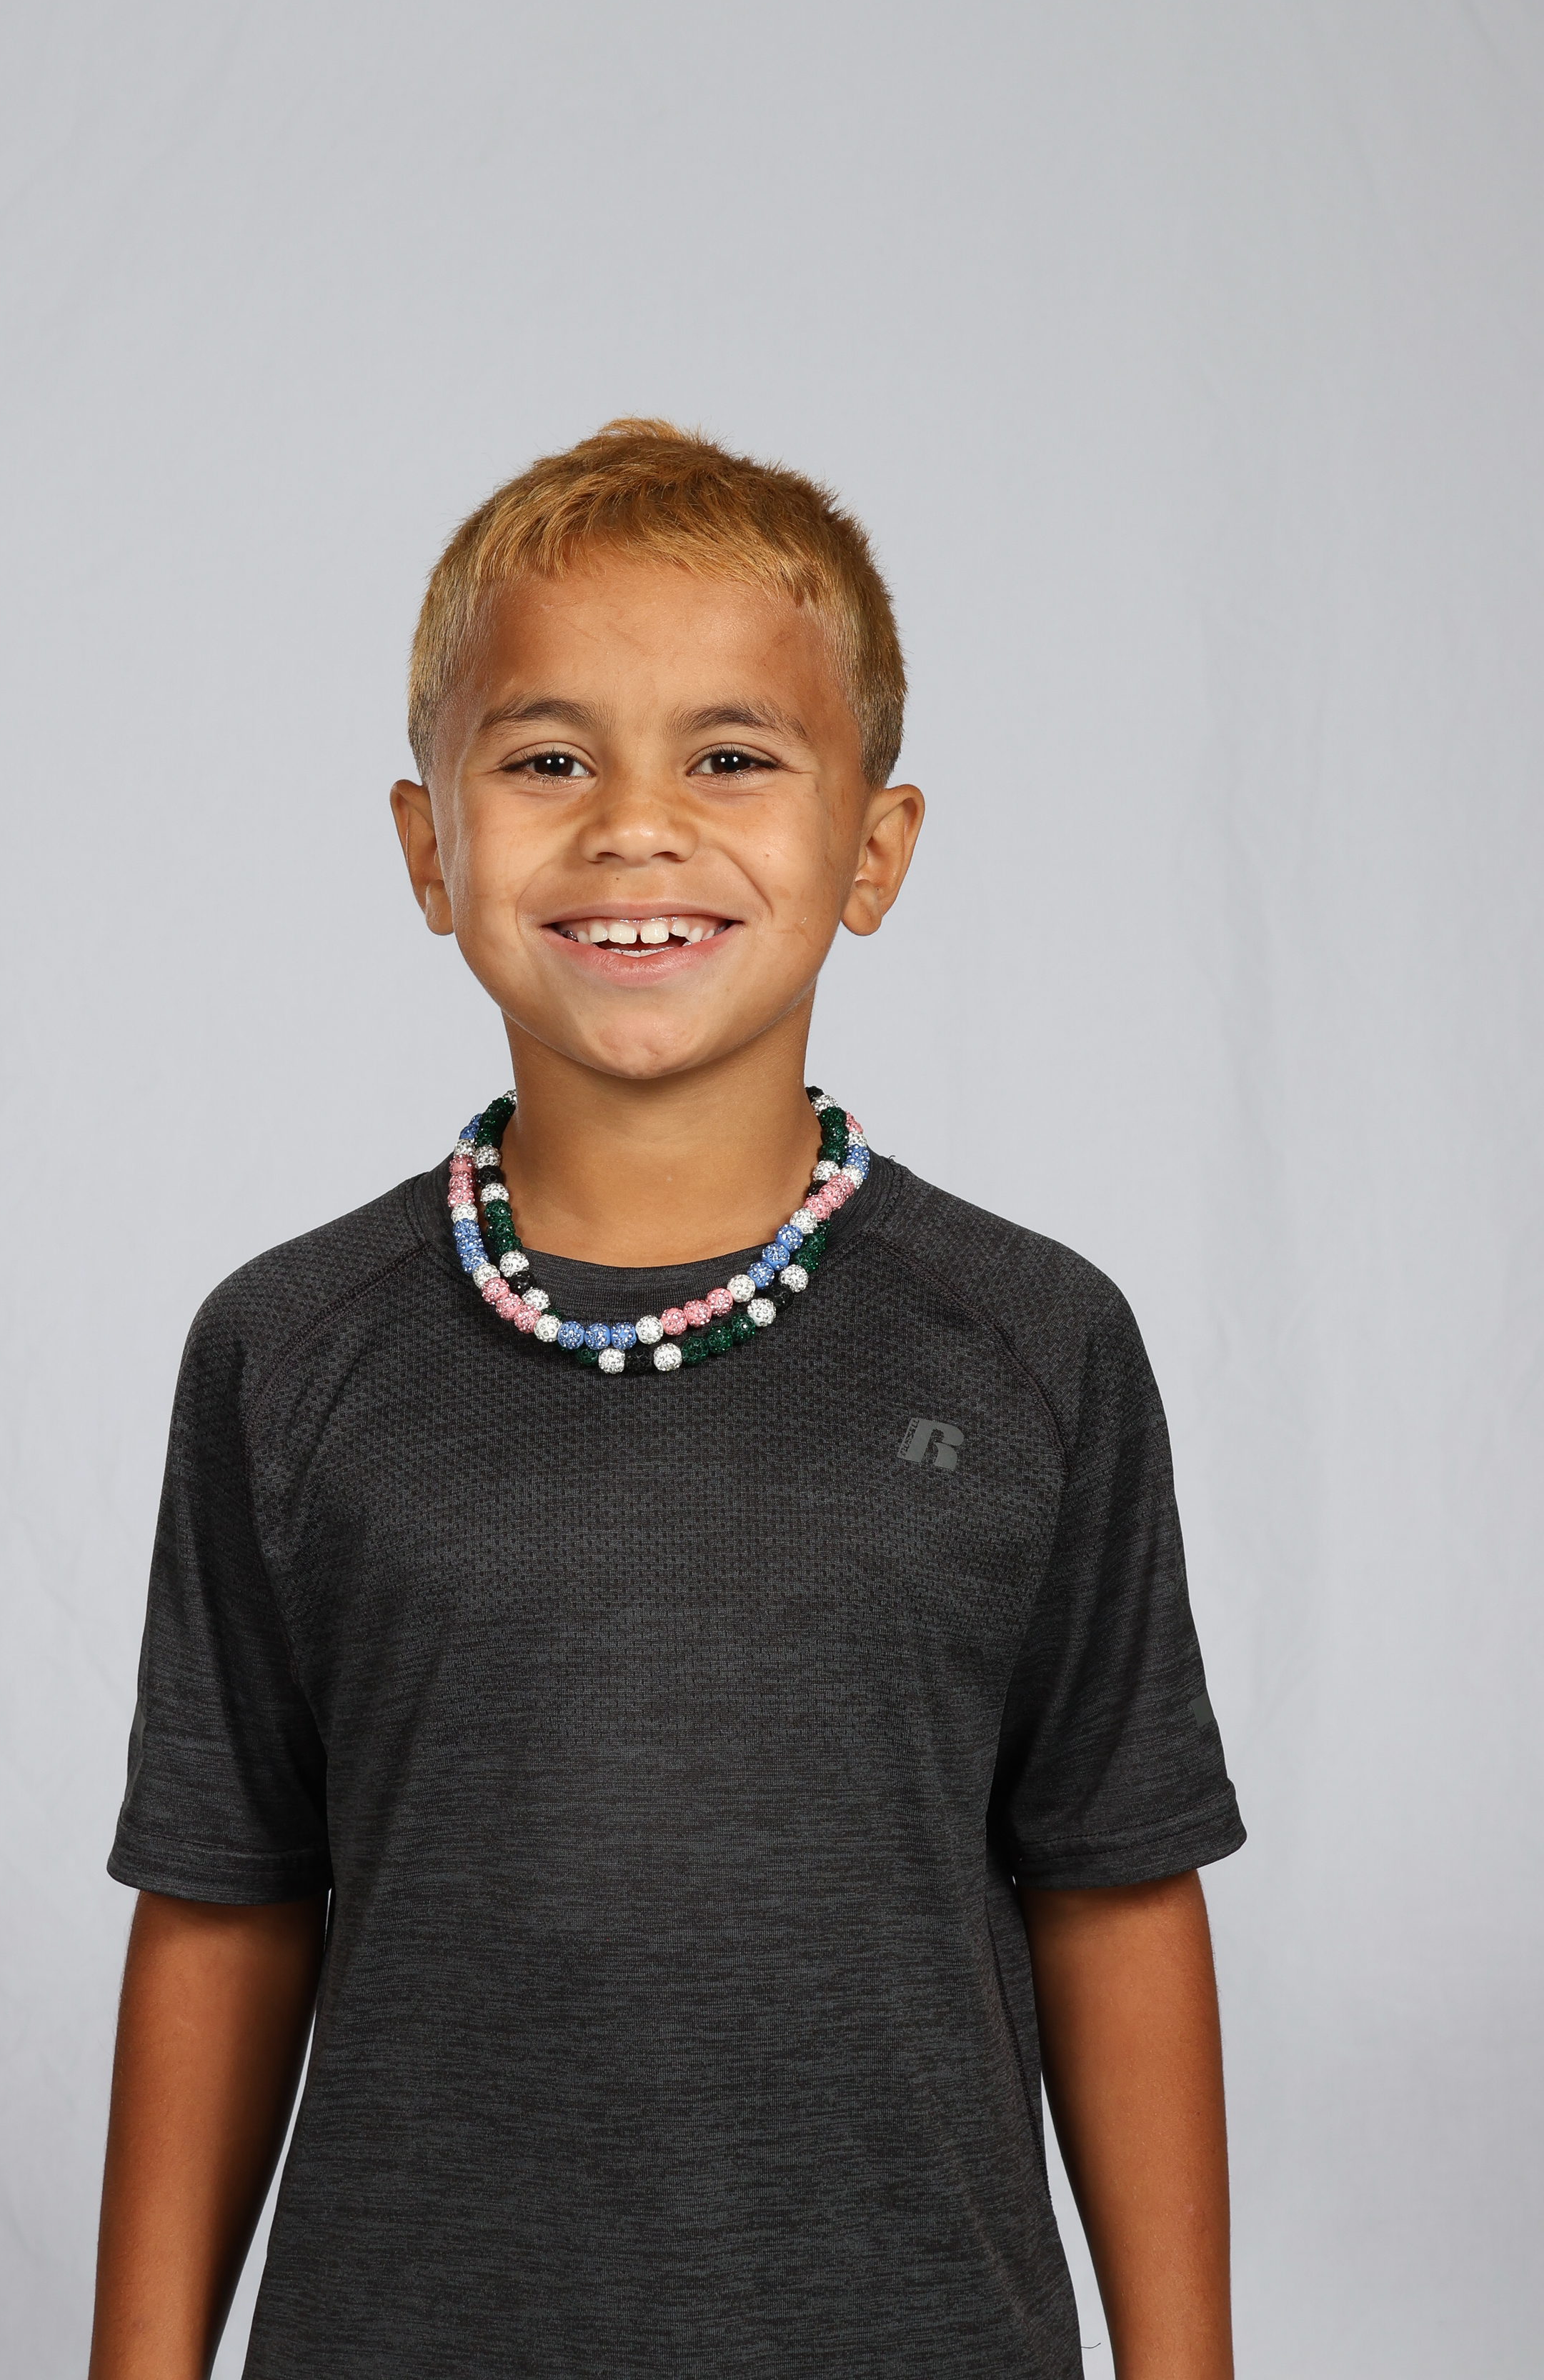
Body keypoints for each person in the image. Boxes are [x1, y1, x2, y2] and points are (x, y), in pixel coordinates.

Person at [89, 419, 1245, 2380]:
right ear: (429, 848)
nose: (636, 826)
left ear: (873, 849)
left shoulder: (1036, 1344)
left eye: (731, 757)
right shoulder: (287, 1352)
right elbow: (226, 1902)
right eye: (548, 760)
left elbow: (1116, 1887)